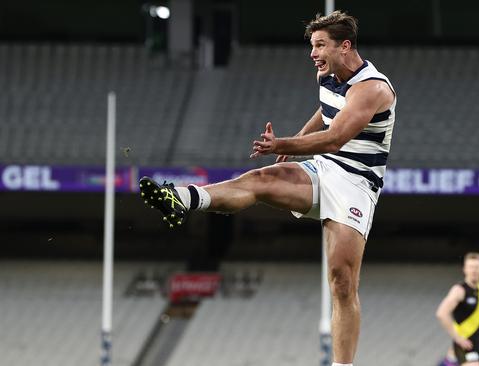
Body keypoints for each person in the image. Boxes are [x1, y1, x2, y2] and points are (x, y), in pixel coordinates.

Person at [138, 11, 396, 366]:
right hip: (324, 169)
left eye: (320, 45)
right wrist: (296, 143)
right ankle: (183, 198)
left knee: (341, 282)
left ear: (345, 45)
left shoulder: (373, 88)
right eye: (312, 45)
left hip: (356, 184)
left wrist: (283, 144)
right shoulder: (328, 74)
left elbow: (336, 137)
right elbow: (326, 113)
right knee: (259, 180)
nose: (312, 53)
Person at [436, 252, 479, 366]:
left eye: (476, 267)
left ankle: (448, 361)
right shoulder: (459, 290)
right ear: (464, 269)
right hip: (463, 343)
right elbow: (441, 313)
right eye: (470, 267)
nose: (474, 270)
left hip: (477, 343)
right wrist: (458, 338)